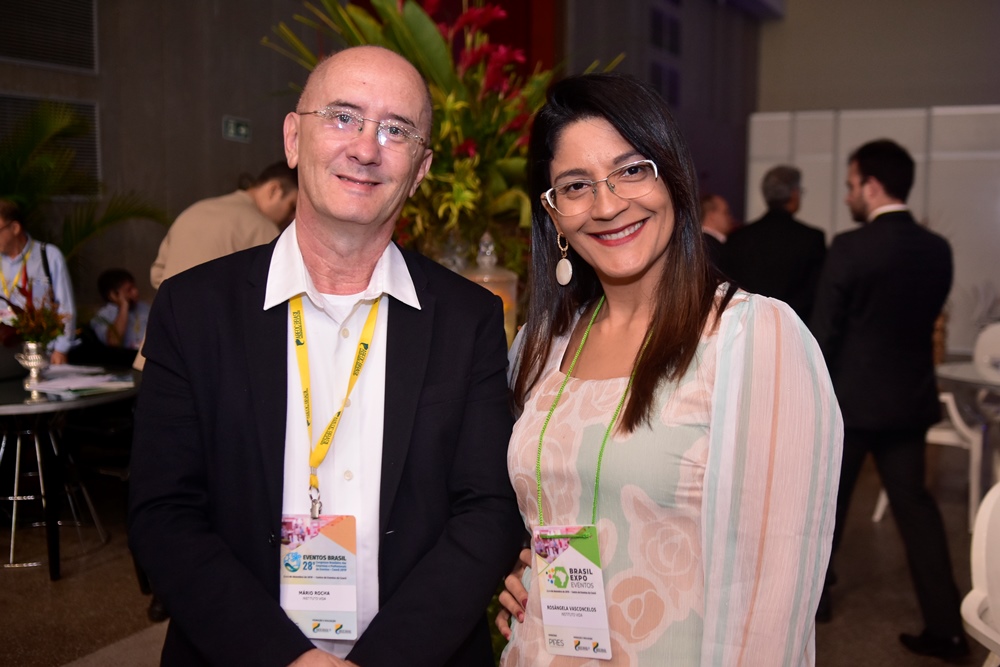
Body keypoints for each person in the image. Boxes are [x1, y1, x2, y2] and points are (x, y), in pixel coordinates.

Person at [128, 46, 522, 667]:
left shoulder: (467, 318)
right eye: (342, 117)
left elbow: (487, 511)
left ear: (420, 169)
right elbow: (164, 513)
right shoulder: (193, 309)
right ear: (293, 138)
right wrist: (285, 658)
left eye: (396, 130)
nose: (366, 148)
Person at [496, 73, 842, 665]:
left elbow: (772, 604)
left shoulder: (752, 339)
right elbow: (548, 508)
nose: (608, 206)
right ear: (553, 214)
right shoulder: (543, 343)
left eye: (632, 170)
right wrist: (515, 567)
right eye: (575, 186)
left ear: (674, 178)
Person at [810, 139, 968, 660]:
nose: (848, 195)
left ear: (872, 186)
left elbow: (824, 333)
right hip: (909, 401)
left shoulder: (850, 247)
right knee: (916, 509)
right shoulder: (937, 249)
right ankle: (947, 628)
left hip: (851, 405)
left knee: (827, 508)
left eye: (852, 185)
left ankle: (814, 606)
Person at [149, 160, 298, 289]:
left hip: (172, 311)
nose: (293, 218)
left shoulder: (193, 211)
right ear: (274, 190)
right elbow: (280, 287)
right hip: (217, 313)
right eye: (292, 207)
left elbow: (157, 274)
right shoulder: (263, 228)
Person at [721, 165, 826, 323]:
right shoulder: (812, 239)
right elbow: (815, 294)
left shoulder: (738, 238)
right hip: (794, 326)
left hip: (747, 324)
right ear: (794, 193)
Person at [0, 198, 75, 364]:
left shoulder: (48, 255)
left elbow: (65, 306)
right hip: (4, 350)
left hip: (43, 349)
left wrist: (61, 349)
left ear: (15, 228)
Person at [90, 268, 149, 350]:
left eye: (134, 287)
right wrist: (124, 305)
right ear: (113, 295)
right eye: (129, 290)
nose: (136, 292)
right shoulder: (102, 317)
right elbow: (114, 342)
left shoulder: (144, 308)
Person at [698, 192, 737, 267]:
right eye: (726, 212)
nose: (730, 217)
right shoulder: (710, 248)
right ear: (712, 216)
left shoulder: (699, 243)